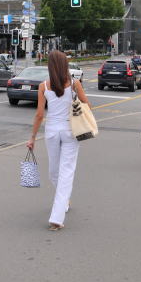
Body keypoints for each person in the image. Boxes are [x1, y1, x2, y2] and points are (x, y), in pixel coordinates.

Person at [26, 50, 90, 231]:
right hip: (71, 130)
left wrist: (32, 138)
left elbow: (39, 115)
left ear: (50, 66)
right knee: (64, 172)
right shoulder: (75, 84)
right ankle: (64, 203)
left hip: (52, 132)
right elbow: (87, 106)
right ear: (65, 65)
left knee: (55, 171)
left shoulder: (43, 86)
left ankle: (57, 215)